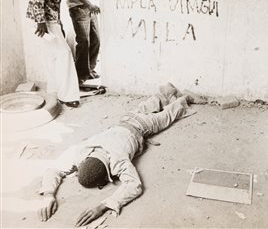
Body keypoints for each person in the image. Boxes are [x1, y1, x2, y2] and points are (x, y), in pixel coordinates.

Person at [37, 83, 200, 227]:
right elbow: (53, 170)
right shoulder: (85, 149)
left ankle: (185, 99)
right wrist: (49, 195)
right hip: (126, 119)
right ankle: (167, 90)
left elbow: (134, 185)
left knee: (169, 114)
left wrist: (102, 206)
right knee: (151, 103)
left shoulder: (117, 160)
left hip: (143, 126)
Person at [26, 0, 83, 108]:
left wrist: (57, 22)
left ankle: (55, 91)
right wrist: (40, 20)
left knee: (52, 56)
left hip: (51, 17)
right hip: (42, 18)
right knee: (64, 54)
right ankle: (68, 96)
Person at [65, 0, 101, 84]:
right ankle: (81, 75)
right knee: (84, 41)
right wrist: (88, 4)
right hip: (78, 8)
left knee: (96, 39)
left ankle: (90, 70)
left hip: (91, 7)